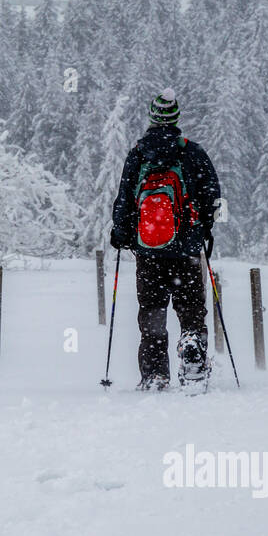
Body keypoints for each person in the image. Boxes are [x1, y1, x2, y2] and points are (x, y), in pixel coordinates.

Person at [109, 94, 221, 391]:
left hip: (148, 251)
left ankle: (155, 374)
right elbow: (212, 195)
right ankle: (193, 358)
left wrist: (121, 233)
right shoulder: (191, 153)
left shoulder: (138, 154)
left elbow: (124, 199)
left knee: (152, 311)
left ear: (152, 117)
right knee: (191, 307)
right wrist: (203, 228)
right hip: (186, 250)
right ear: (176, 118)